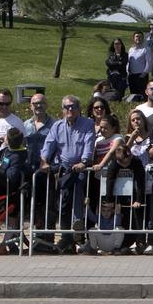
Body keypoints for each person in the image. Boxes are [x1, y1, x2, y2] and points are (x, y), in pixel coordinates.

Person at [40, 96, 96, 253]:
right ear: (62, 110)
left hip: (80, 169)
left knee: (78, 201)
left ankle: (79, 236)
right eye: (66, 107)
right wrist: (44, 160)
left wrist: (84, 162)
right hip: (63, 170)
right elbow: (49, 144)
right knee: (63, 204)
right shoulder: (57, 126)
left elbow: (88, 144)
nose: (69, 110)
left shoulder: (88, 124)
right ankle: (66, 237)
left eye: (73, 107)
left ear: (78, 108)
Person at [125, 30, 153, 98]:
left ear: (143, 38)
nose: (138, 38)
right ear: (133, 38)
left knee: (142, 96)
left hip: (141, 76)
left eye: (140, 37)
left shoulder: (146, 49)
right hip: (131, 76)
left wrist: (143, 74)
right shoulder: (131, 49)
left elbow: (149, 62)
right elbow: (128, 62)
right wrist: (128, 72)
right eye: (137, 36)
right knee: (133, 96)